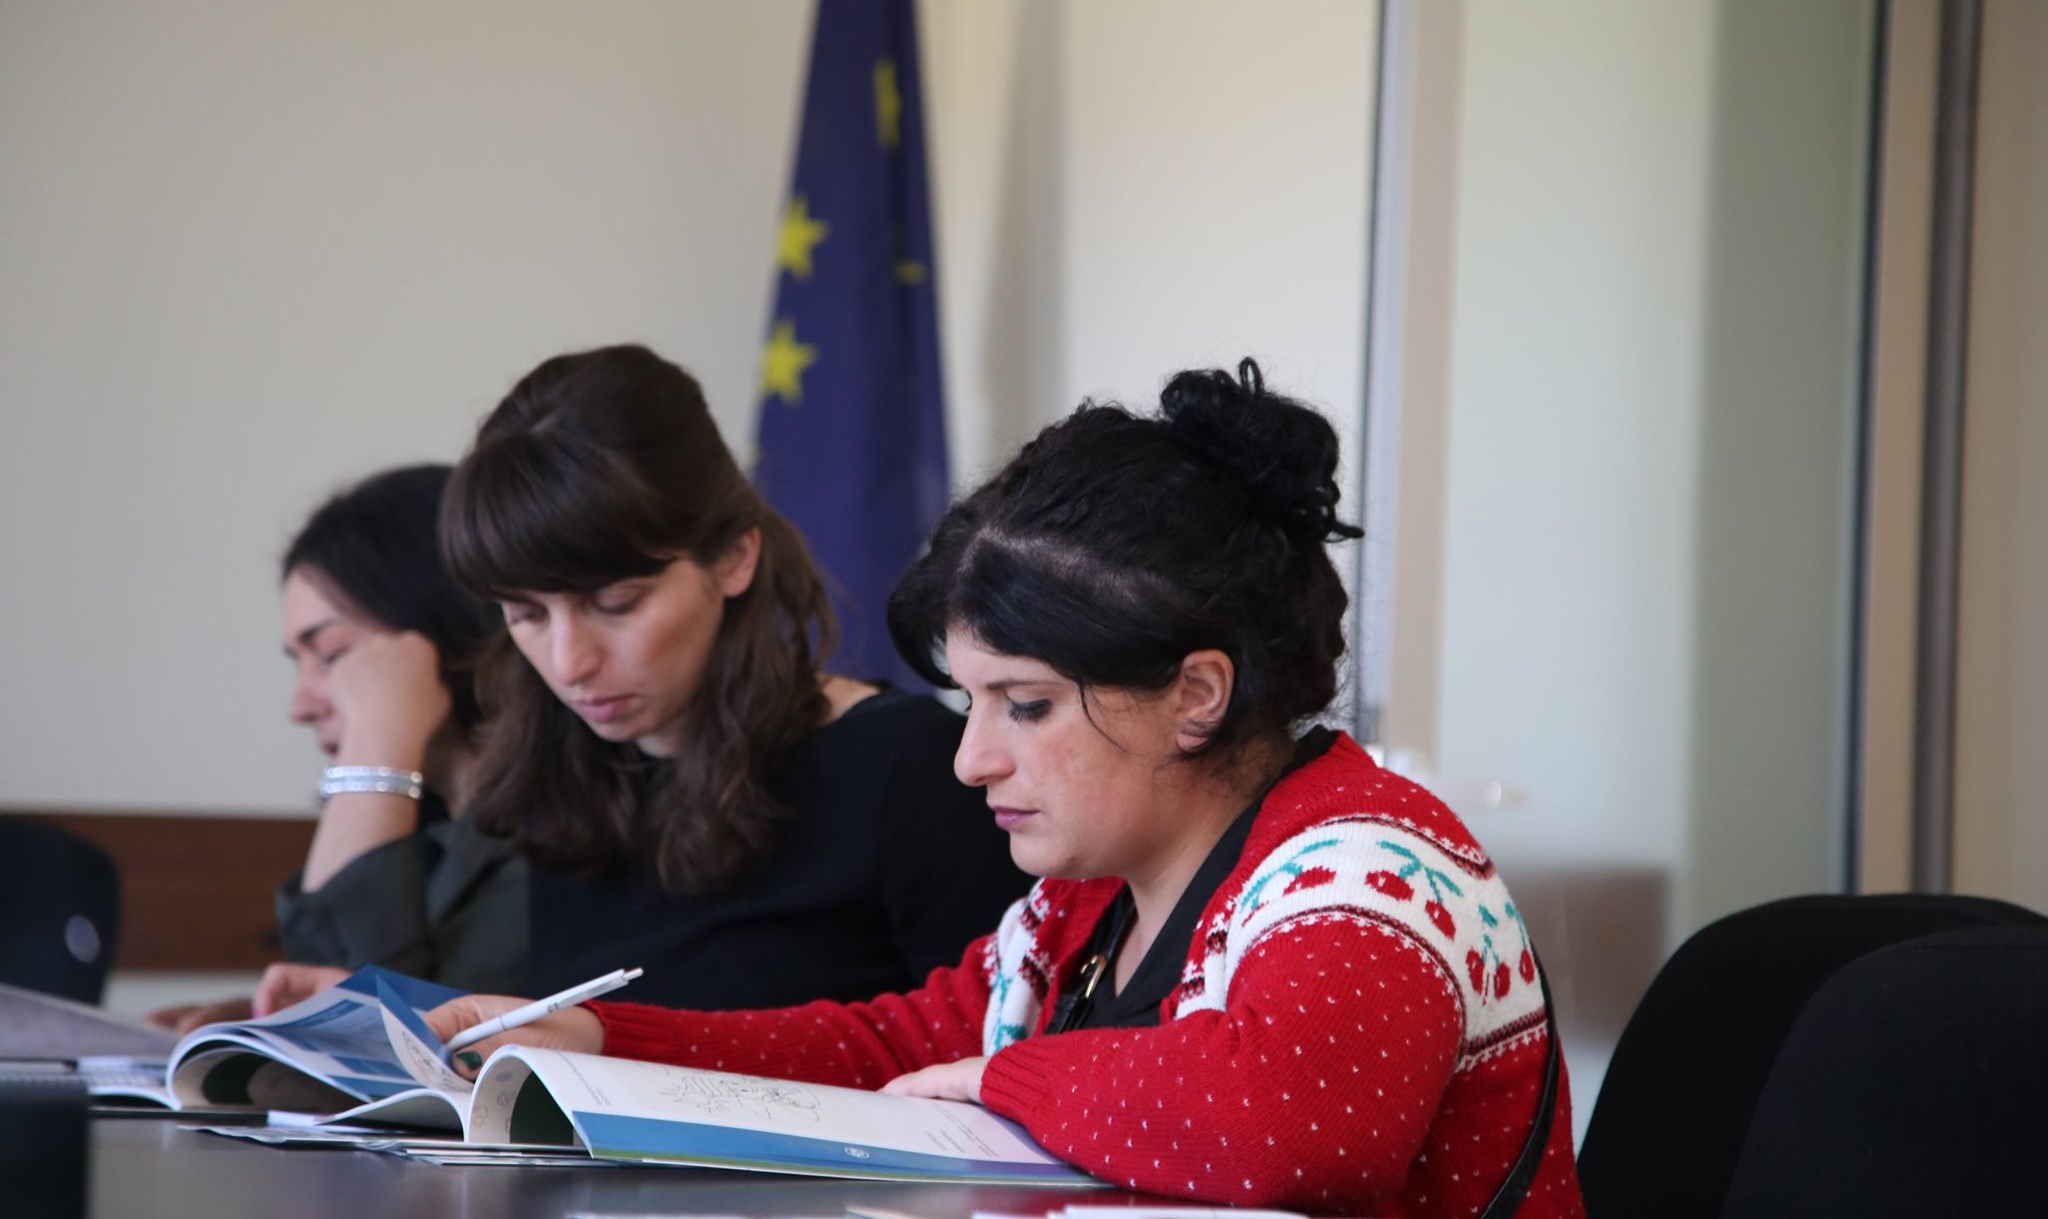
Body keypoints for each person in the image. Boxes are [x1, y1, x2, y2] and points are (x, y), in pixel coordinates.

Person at [422, 361, 1586, 1215]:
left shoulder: (1369, 871)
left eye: (1022, 706)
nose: (970, 757)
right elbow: (900, 1041)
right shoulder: (1092, 893)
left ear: (1194, 694)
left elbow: (1289, 1130)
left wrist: (1000, 1081)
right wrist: (602, 1037)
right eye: (970, 702)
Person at [427, 342, 1026, 1009]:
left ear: (735, 557)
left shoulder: (910, 769)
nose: (569, 664)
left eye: (616, 603)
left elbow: (995, 1045)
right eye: (526, 614)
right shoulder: (562, 773)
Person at [152, 466, 526, 1032]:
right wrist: (260, 1018)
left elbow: (377, 1038)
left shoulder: (559, 840)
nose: (299, 707)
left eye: (330, 655)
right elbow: (346, 995)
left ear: (440, 626)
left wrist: (379, 738)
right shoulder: (428, 837)